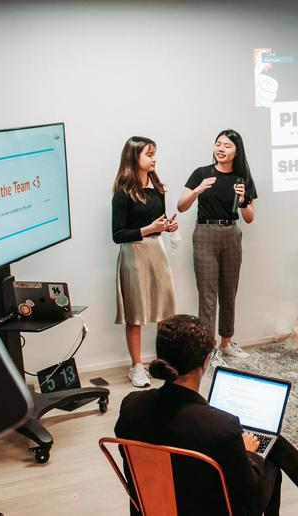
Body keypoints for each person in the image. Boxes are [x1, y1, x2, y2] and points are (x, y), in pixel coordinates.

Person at [115, 314, 298, 516]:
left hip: (152, 507)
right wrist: (249, 454)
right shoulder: (222, 427)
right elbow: (249, 494)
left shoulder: (131, 405)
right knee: (268, 462)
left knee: (269, 441)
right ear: (206, 361)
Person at [177, 129, 257, 364]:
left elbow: (249, 217)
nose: (221, 149)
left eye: (227, 145)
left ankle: (226, 343)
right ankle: (208, 350)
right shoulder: (201, 173)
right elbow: (181, 206)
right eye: (218, 144)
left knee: (229, 292)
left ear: (237, 152)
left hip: (231, 233)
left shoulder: (243, 178)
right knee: (208, 295)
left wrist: (243, 200)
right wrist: (198, 189)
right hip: (205, 233)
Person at [112, 136, 178, 387]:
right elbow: (118, 235)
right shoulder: (122, 194)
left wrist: (168, 227)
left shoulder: (157, 189)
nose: (154, 159)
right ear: (134, 158)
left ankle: (162, 361)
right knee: (136, 314)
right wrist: (149, 228)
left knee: (164, 310)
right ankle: (136, 366)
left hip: (156, 252)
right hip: (133, 255)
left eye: (154, 154)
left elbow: (159, 222)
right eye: (149, 154)